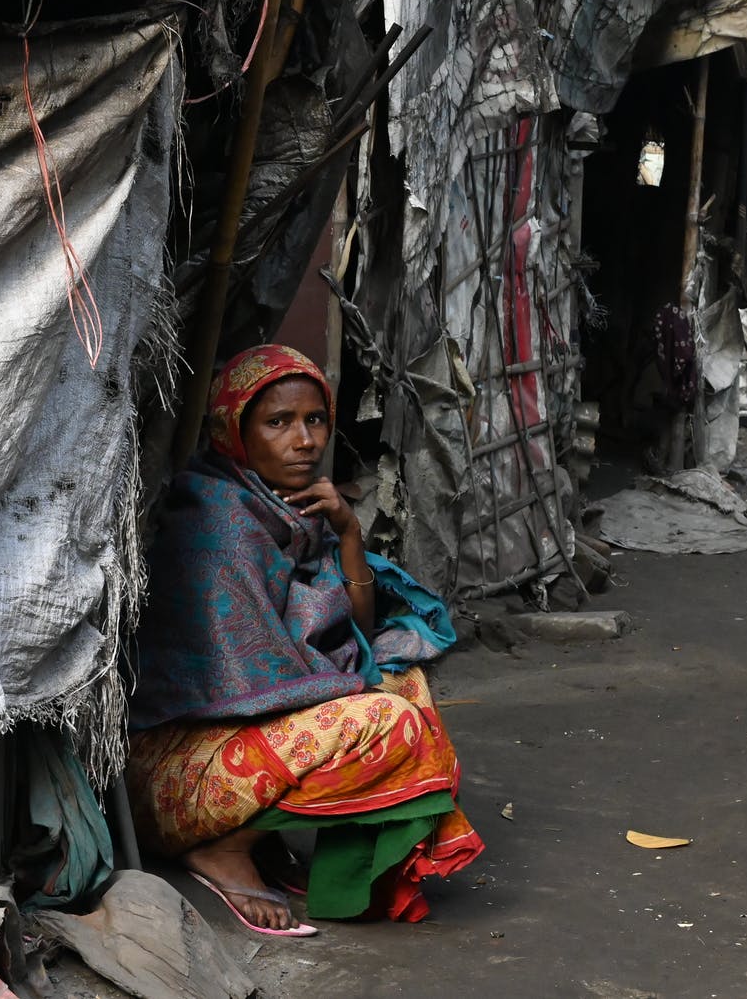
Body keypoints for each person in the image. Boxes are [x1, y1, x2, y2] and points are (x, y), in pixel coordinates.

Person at [128, 345, 482, 936]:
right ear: (230, 431)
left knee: (405, 687)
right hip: (170, 775)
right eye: (278, 422)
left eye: (314, 420)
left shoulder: (291, 511)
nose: (305, 440)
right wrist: (361, 699)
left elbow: (356, 632)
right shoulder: (215, 528)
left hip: (236, 745)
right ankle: (221, 847)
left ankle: (267, 844)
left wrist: (348, 531)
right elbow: (252, 682)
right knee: (388, 721)